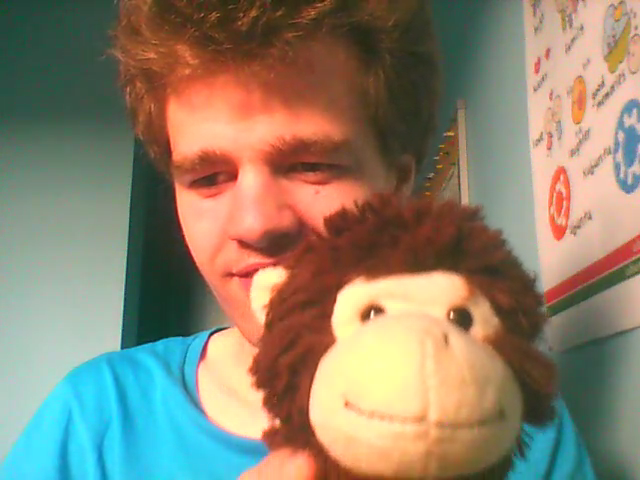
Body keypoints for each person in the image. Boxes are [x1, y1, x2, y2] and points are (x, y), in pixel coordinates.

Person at [1, 1, 595, 478]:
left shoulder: (501, 420)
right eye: (208, 178)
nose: (256, 223)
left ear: (397, 184)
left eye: (312, 165)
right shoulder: (95, 418)